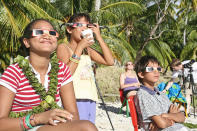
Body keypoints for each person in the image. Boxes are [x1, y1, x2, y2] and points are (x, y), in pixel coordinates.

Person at [0, 19, 98, 131]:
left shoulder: (61, 69)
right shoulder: (14, 72)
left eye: (52, 33)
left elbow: (73, 115)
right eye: (39, 32)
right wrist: (38, 119)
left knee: (87, 127)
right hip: (20, 127)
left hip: (50, 126)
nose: (47, 36)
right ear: (27, 42)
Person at [57, 13, 114, 124]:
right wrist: (80, 47)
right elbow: (65, 74)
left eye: (87, 26)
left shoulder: (87, 50)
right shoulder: (63, 47)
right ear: (69, 29)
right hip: (74, 98)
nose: (84, 28)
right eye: (80, 25)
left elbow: (110, 61)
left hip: (90, 97)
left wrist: (99, 37)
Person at [134, 56, 188, 131]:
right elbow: (162, 124)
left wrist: (166, 115)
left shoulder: (161, 94)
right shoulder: (143, 95)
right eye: (151, 69)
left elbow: (182, 117)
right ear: (141, 74)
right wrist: (173, 117)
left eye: (158, 69)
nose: (156, 71)